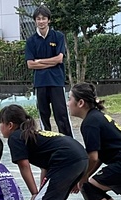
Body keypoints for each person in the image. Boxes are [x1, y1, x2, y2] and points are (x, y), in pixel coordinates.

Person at [0, 104, 87, 200]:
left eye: (1, 123)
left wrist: (34, 193)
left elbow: (24, 166)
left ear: (10, 125)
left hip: (67, 159)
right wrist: (41, 189)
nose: (0, 127)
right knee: (53, 199)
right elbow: (45, 166)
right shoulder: (32, 133)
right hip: (79, 157)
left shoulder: (15, 137)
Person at [25, 5, 73, 137]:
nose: (41, 21)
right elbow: (30, 64)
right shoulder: (31, 41)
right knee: (43, 116)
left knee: (61, 115)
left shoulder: (58, 36)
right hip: (40, 83)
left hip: (56, 81)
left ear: (49, 20)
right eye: (38, 19)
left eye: (44, 18)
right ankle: (47, 143)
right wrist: (47, 62)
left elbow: (59, 59)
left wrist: (39, 61)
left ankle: (69, 142)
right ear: (35, 21)